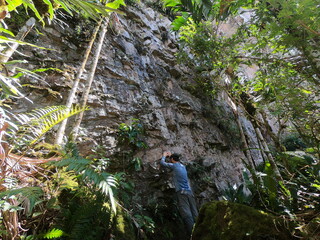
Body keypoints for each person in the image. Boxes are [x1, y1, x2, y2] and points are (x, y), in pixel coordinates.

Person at [160, 151, 198, 238]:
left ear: (172, 159)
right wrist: (172, 156)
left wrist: (164, 156)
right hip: (189, 192)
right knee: (195, 213)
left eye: (171, 159)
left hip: (182, 192)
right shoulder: (182, 166)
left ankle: (193, 235)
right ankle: (200, 230)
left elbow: (162, 163)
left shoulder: (174, 166)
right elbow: (176, 161)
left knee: (186, 214)